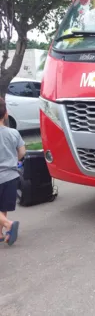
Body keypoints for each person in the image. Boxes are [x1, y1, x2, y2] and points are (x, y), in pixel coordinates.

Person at [0, 97, 25, 246]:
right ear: (6, 114)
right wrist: (13, 160)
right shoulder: (13, 133)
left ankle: (8, 225)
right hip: (11, 176)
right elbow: (22, 152)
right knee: (3, 206)